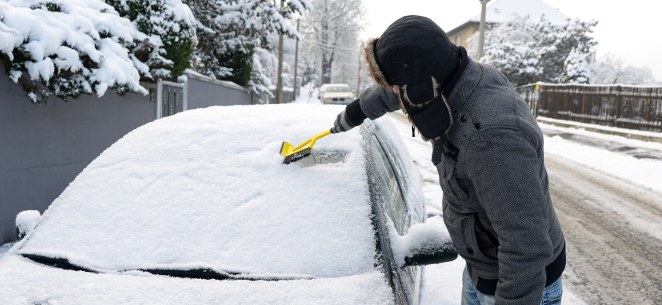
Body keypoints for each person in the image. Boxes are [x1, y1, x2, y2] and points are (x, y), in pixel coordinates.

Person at [330, 15, 565, 305]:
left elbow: (526, 247)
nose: (394, 93)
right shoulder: (454, 77)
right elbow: (399, 92)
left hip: (520, 287)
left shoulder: (492, 139)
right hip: (483, 269)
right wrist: (353, 114)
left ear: (424, 87)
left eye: (397, 87)